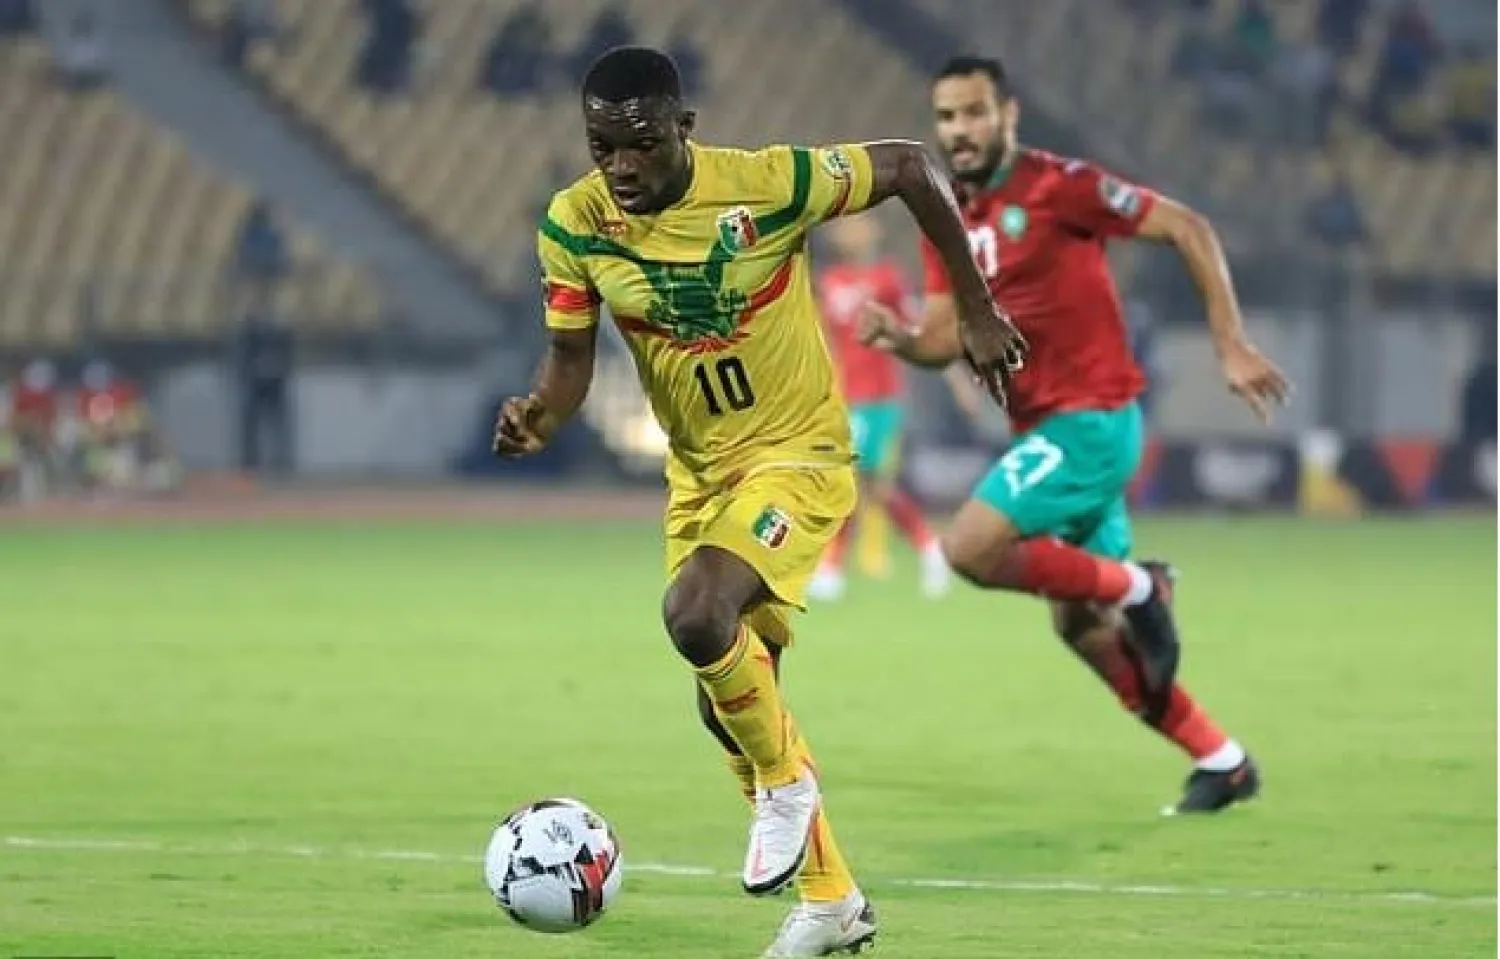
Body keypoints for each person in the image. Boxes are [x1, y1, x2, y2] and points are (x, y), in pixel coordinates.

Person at [492, 46, 1023, 958]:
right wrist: (541, 413)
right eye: (601, 146)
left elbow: (907, 164)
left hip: (797, 455)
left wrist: (972, 308)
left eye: (642, 144)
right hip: (698, 477)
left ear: (685, 129)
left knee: (695, 613)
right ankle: (833, 901)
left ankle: (784, 789)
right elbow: (572, 363)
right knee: (726, 696)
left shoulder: (768, 185)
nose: (620, 165)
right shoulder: (574, 225)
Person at [862, 56, 1290, 815]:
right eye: (947, 117)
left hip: (1092, 419)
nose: (959, 131)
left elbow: (1187, 227)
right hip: (1048, 430)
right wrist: (899, 339)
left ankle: (1144, 585)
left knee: (968, 547)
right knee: (1085, 629)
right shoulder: (945, 216)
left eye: (973, 113)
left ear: (1009, 115)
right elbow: (942, 334)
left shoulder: (1063, 186)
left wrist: (1228, 340)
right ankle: (1224, 761)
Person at [807, 211, 961, 601]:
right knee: (866, 486)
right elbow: (821, 339)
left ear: (873, 230)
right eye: (842, 225)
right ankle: (928, 550)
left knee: (860, 483)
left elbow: (917, 330)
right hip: (843, 397)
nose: (847, 231)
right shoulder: (829, 282)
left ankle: (835, 568)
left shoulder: (887, 279)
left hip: (878, 398)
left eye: (855, 223)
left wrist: (957, 380)